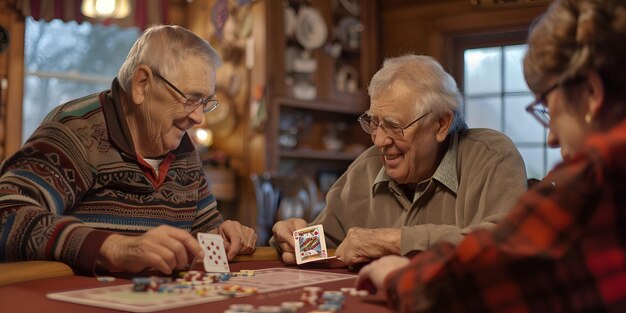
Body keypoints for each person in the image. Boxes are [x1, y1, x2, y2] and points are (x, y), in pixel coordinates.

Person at [356, 0, 626, 311]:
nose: (551, 137)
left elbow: (490, 271)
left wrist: (401, 277)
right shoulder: (365, 165)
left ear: (591, 95)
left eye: (550, 111)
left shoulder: (595, 178)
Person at [0, 25, 257, 276]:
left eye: (205, 102)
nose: (200, 118)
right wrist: (113, 248)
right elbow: (7, 214)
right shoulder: (75, 130)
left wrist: (222, 234)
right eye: (191, 98)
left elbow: (203, 234)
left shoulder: (182, 147)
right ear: (142, 84)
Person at [272, 55, 527, 265]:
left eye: (394, 125)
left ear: (441, 124)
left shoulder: (491, 157)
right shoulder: (366, 166)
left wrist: (393, 241)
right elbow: (324, 244)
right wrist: (293, 238)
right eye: (374, 123)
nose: (379, 140)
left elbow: (505, 244)